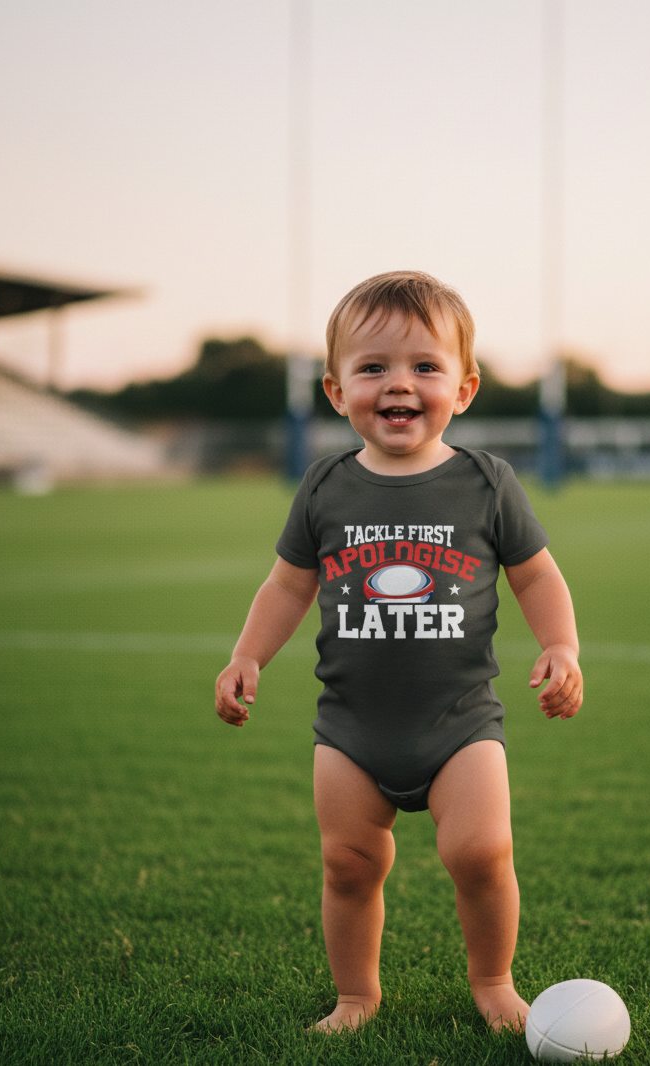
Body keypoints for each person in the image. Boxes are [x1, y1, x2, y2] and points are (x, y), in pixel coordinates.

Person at [215, 270, 582, 1034]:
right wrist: (247, 654)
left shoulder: (487, 483)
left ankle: (493, 980)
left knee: (483, 853)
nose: (398, 385)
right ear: (336, 389)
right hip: (350, 726)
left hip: (459, 722)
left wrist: (560, 645)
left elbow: (538, 574)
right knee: (349, 865)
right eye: (373, 367)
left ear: (466, 387)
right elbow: (287, 587)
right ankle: (357, 996)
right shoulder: (325, 487)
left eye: (425, 366)